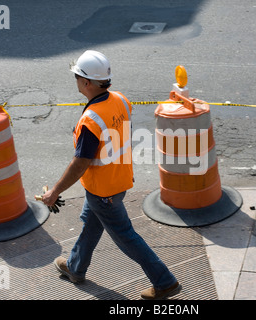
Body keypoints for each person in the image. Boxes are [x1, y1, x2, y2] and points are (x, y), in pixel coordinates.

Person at [41, 50, 181, 300]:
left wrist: (55, 192)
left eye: (76, 77)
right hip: (118, 182)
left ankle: (165, 282)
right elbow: (120, 141)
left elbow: (80, 163)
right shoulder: (120, 100)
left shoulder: (90, 120)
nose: (75, 81)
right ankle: (75, 268)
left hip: (103, 191)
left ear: (85, 82)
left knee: (126, 236)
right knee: (90, 224)